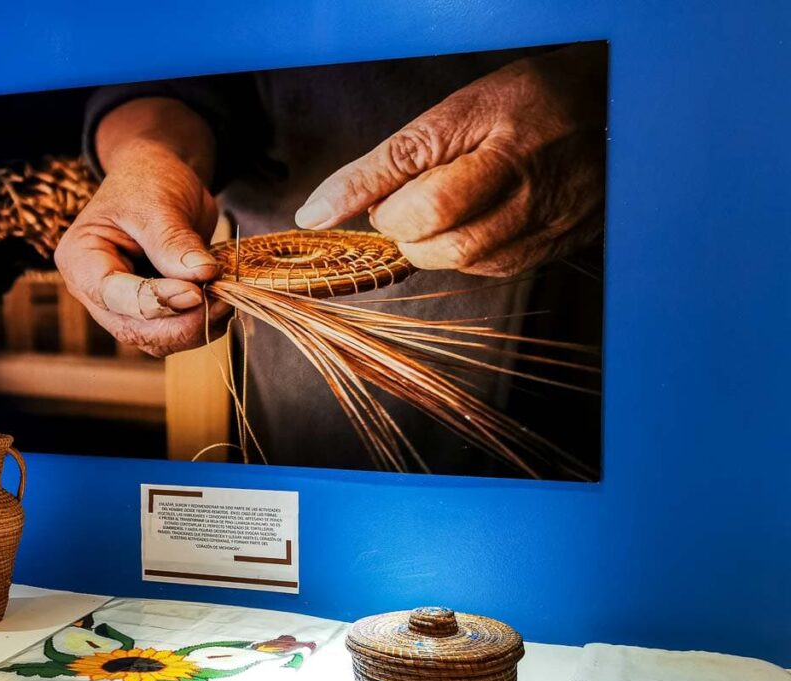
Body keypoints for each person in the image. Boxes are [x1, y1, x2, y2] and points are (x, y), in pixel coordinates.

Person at [54, 42, 607, 475]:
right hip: (296, 313)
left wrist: (603, 92)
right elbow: (170, 63)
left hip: (596, 247)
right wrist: (149, 150)